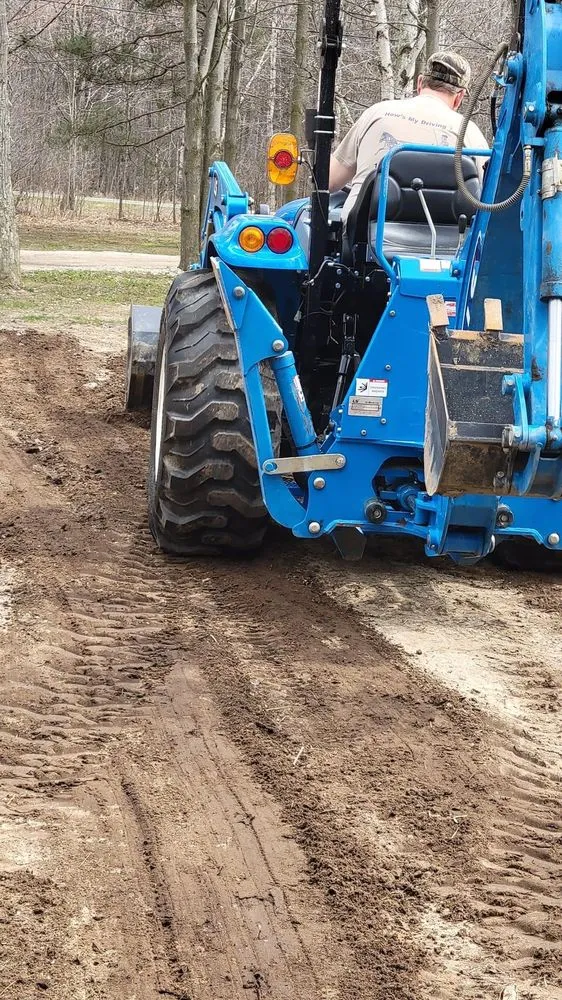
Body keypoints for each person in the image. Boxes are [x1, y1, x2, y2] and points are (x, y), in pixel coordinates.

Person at [329, 51, 488, 221]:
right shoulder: (469, 132)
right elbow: (488, 198)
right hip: (446, 243)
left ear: (420, 82)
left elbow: (330, 180)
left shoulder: (377, 113)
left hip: (363, 239)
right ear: (460, 97)